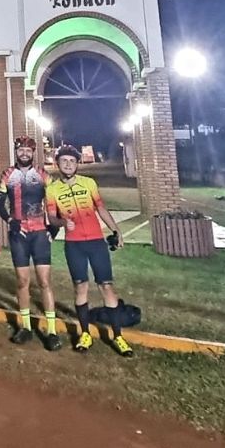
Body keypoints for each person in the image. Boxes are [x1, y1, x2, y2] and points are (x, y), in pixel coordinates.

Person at [45, 145, 133, 357]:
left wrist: (116, 230)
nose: (68, 164)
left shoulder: (89, 183)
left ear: (77, 164)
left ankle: (118, 336)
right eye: (64, 161)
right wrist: (63, 222)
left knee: (106, 286)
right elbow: (52, 218)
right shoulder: (52, 189)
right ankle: (85, 333)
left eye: (72, 161)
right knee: (80, 287)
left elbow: (101, 208)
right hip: (74, 244)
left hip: (96, 242)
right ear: (58, 164)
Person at [0, 137, 62, 350]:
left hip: (40, 234)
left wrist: (54, 229)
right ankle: (25, 327)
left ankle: (51, 331)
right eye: (21, 150)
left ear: (33, 153)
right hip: (19, 235)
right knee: (22, 282)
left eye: (28, 150)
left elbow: (57, 202)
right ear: (16, 152)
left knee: (44, 282)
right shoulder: (7, 175)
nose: (24, 153)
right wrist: (10, 221)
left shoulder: (43, 175)